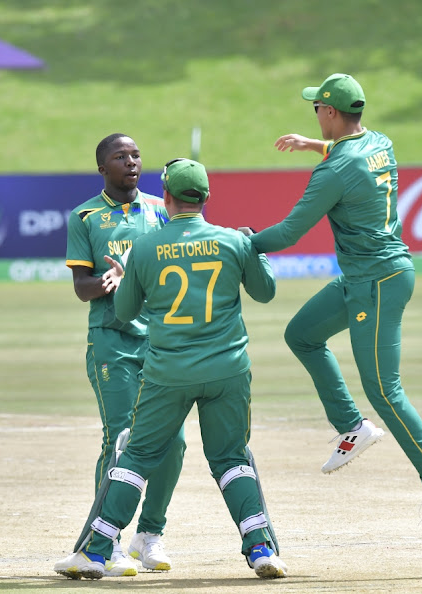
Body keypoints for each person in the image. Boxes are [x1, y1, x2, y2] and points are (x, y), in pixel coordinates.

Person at [251, 72, 422, 546]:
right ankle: (352, 426)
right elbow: (348, 154)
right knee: (301, 334)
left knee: (384, 389)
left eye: (316, 108)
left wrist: (240, 243)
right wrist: (314, 144)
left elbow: (288, 233)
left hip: (378, 283)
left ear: (330, 112)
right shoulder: (379, 141)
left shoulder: (335, 171)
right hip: (366, 277)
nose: (314, 114)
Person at [55, 158, 286, 580]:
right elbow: (265, 292)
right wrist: (255, 248)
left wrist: (131, 283)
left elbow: (124, 312)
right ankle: (260, 549)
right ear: (206, 197)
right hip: (228, 370)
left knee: (138, 455)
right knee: (232, 458)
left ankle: (97, 551)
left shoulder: (146, 247)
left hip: (168, 371)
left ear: (166, 197)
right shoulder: (232, 241)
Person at [62, 134, 186, 576]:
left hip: (160, 341)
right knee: (121, 440)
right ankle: (104, 540)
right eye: (120, 157)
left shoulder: (159, 208)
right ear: (103, 169)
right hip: (111, 342)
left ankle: (149, 534)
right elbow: (81, 288)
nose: (131, 162)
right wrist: (107, 282)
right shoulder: (84, 217)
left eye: (135, 155)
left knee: (175, 442)